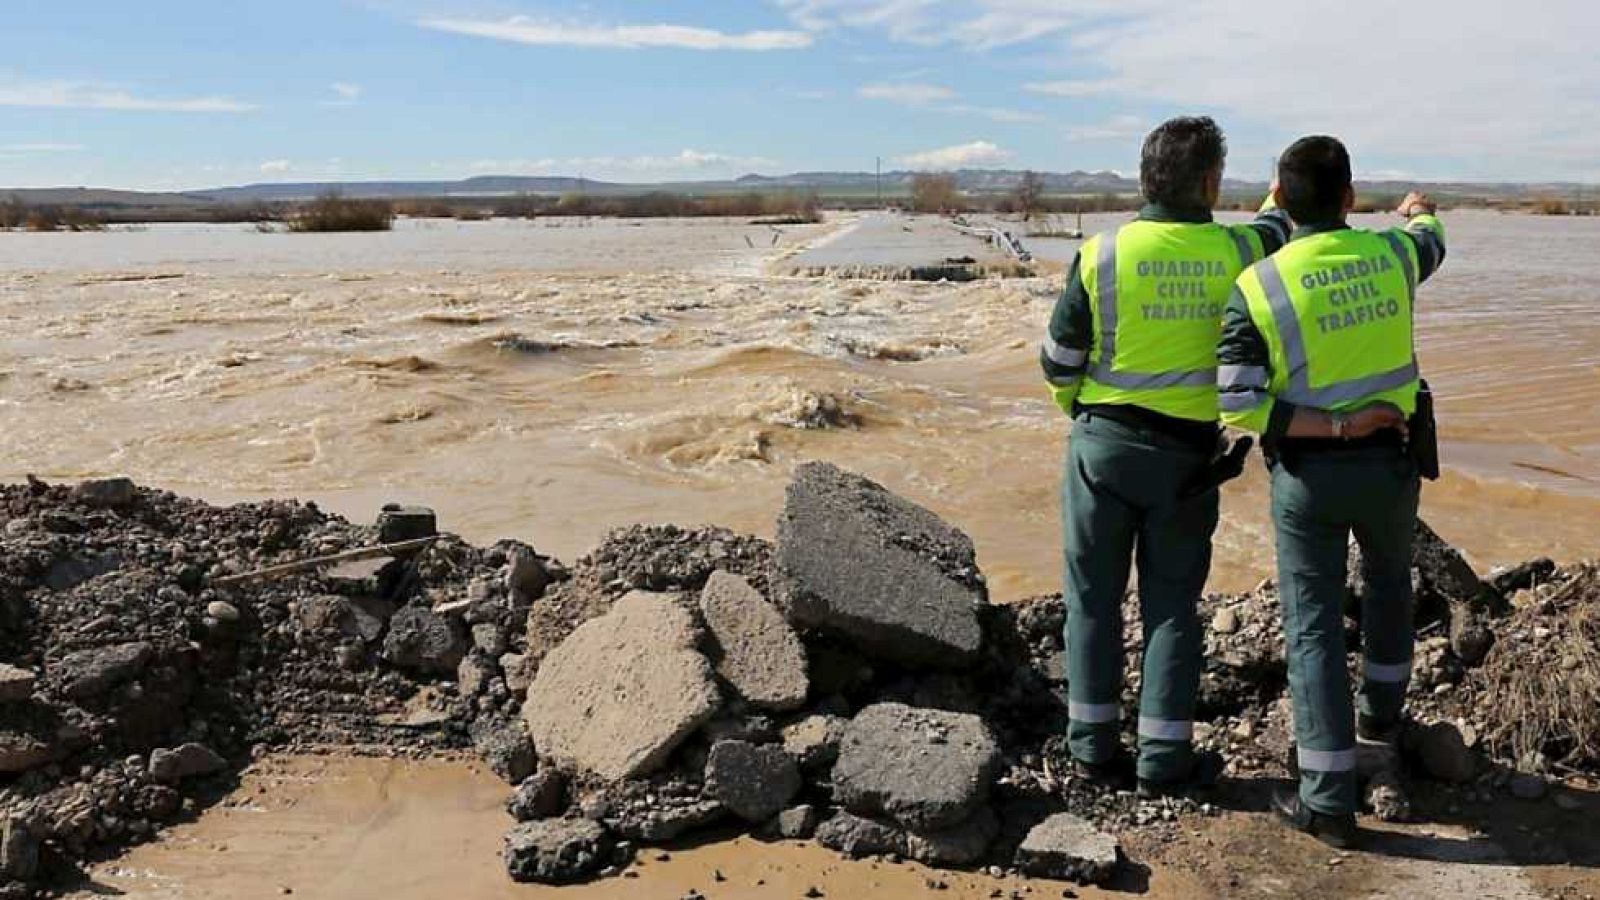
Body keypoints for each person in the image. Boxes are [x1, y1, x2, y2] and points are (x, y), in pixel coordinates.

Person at [1039, 116, 1291, 797]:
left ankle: (1091, 753)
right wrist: (1274, 197)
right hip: (1186, 461)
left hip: (1103, 449)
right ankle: (1162, 763)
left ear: (1145, 178)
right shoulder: (1240, 246)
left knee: (1090, 602)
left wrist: (1081, 415)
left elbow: (1059, 360)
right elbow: (1276, 228)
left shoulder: (1103, 253)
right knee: (1172, 609)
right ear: (1210, 182)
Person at [1215, 135, 1447, 846]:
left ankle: (1327, 800)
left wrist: (1335, 428)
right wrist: (1419, 210)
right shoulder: (1393, 256)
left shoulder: (1259, 284)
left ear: (1281, 202)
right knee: (1388, 589)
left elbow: (1239, 403)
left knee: (1313, 625)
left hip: (1311, 477)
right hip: (1392, 468)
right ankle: (1384, 719)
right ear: (1351, 199)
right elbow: (1429, 237)